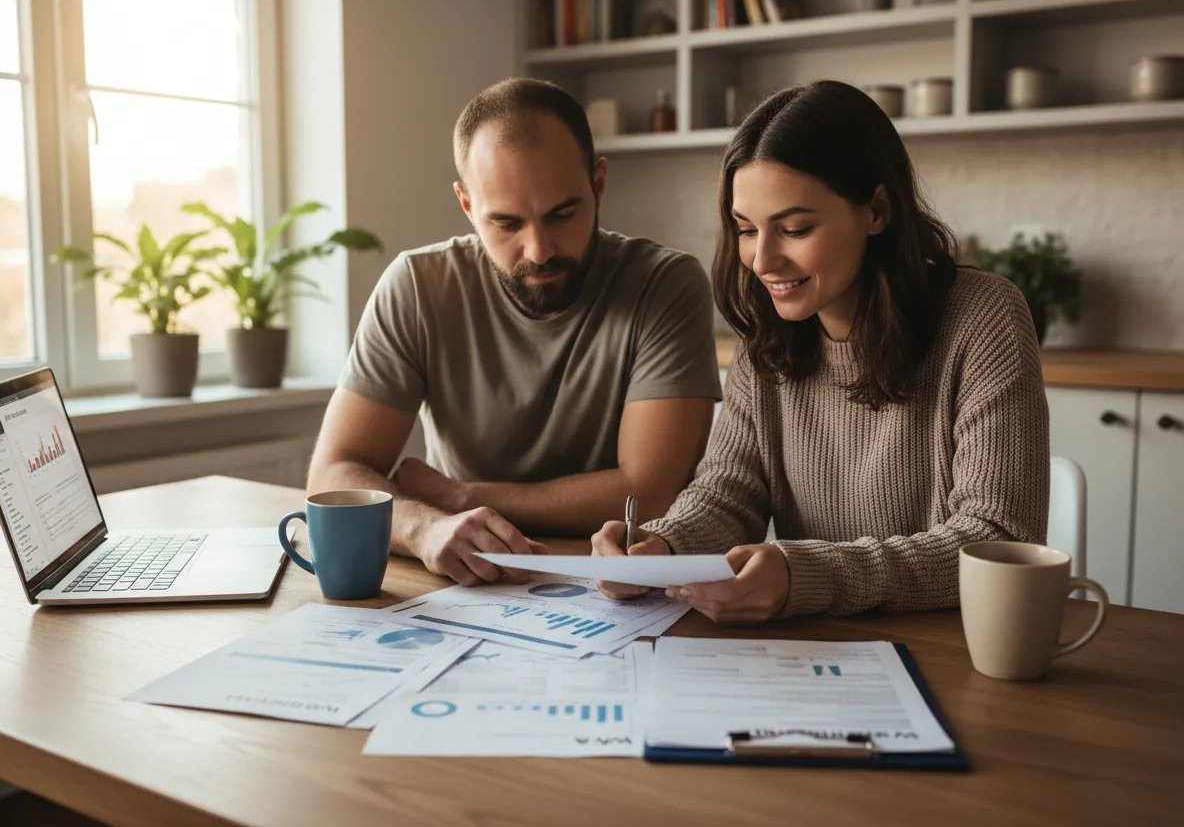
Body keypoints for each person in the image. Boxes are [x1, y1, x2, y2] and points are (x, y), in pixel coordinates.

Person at [593, 80, 1050, 623]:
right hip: (813, 651)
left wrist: (807, 576)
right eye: (745, 230)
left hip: (950, 648)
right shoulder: (766, 336)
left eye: (794, 228)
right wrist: (659, 549)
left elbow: (994, 540)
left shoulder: (983, 317)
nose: (762, 260)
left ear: (877, 210)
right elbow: (728, 493)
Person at [307, 78, 721, 587]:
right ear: (465, 203)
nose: (539, 249)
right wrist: (424, 527)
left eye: (562, 214)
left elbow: (651, 491)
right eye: (505, 223)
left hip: (610, 586)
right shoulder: (418, 286)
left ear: (599, 184)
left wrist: (461, 496)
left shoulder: (665, 285)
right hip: (462, 580)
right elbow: (334, 473)